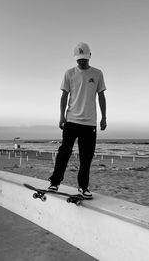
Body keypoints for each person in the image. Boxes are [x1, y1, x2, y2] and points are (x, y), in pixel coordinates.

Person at [48, 42, 107, 199]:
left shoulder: (98, 73)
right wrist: (61, 116)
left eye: (84, 59)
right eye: (79, 60)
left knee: (86, 157)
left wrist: (104, 117)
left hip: (89, 123)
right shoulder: (69, 73)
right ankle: (55, 182)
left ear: (89, 57)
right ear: (75, 59)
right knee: (64, 152)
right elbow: (64, 96)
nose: (82, 62)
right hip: (71, 121)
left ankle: (83, 187)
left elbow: (101, 96)